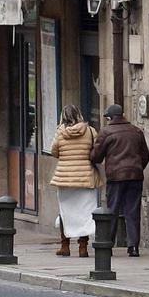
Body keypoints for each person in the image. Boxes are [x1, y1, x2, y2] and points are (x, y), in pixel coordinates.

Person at [91, 104, 149, 257]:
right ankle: (133, 246)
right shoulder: (136, 131)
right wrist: (137, 168)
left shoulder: (106, 132)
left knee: (112, 211)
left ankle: (108, 244)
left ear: (110, 118)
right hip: (135, 176)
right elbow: (145, 156)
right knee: (133, 211)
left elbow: (96, 156)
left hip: (116, 177)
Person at [50, 105, 99, 258]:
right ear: (79, 114)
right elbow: (96, 150)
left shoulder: (60, 133)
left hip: (65, 177)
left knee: (66, 212)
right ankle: (83, 247)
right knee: (85, 213)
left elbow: (54, 151)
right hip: (85, 177)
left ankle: (65, 246)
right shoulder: (90, 131)